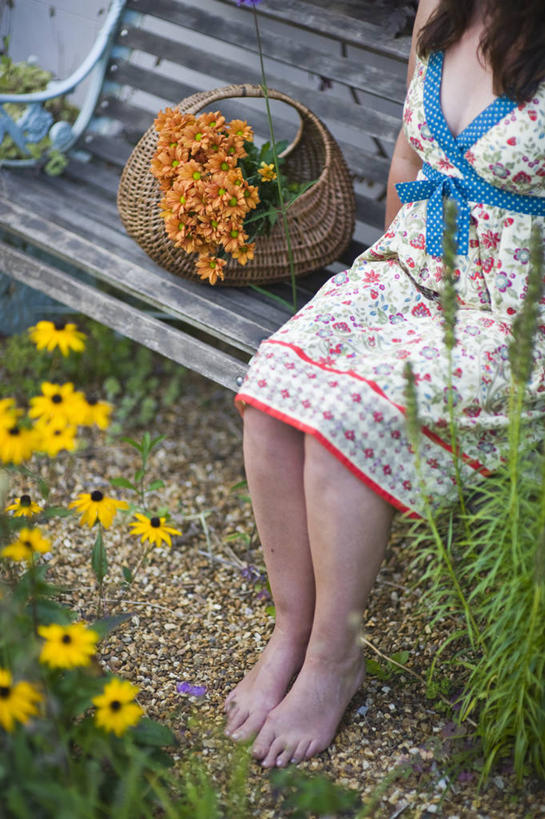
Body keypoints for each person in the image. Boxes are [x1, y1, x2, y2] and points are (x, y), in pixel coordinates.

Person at [223, 0, 545, 768]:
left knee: (348, 417)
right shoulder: (443, 4)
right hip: (415, 263)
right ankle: (292, 628)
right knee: (271, 391)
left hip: (514, 307)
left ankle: (335, 658)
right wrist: (377, 285)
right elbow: (409, 151)